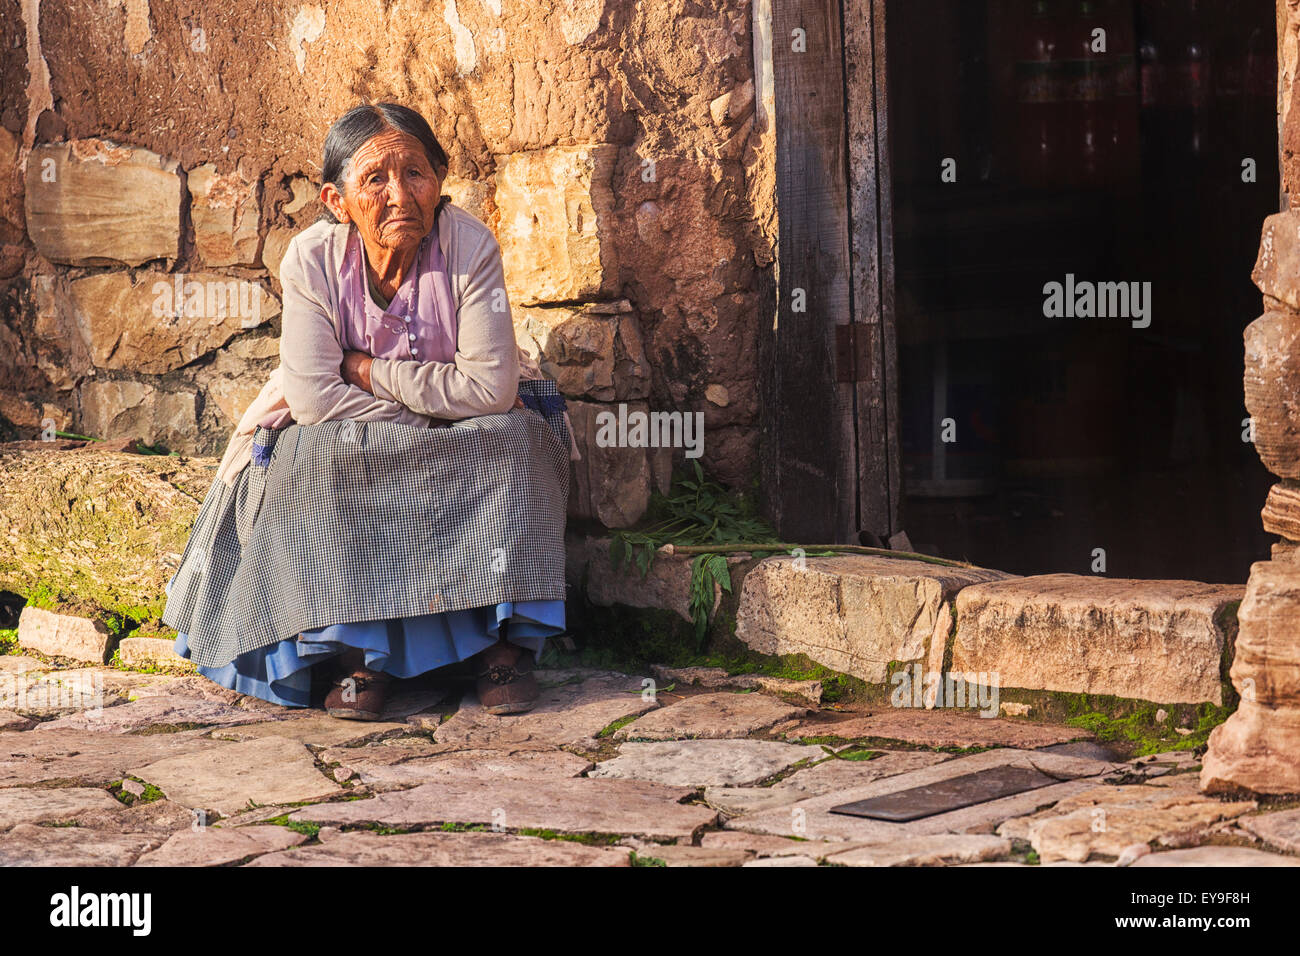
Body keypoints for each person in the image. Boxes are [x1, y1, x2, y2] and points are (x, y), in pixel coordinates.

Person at [162, 103, 575, 720]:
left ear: (439, 180)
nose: (400, 195)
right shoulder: (310, 259)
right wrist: (429, 418)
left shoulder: (469, 245)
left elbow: (490, 390)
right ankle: (358, 657)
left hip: (464, 420)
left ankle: (504, 650)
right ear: (337, 200)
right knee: (312, 455)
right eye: (374, 179)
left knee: (514, 438)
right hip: (401, 422)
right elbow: (314, 400)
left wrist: (368, 370)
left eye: (416, 173)